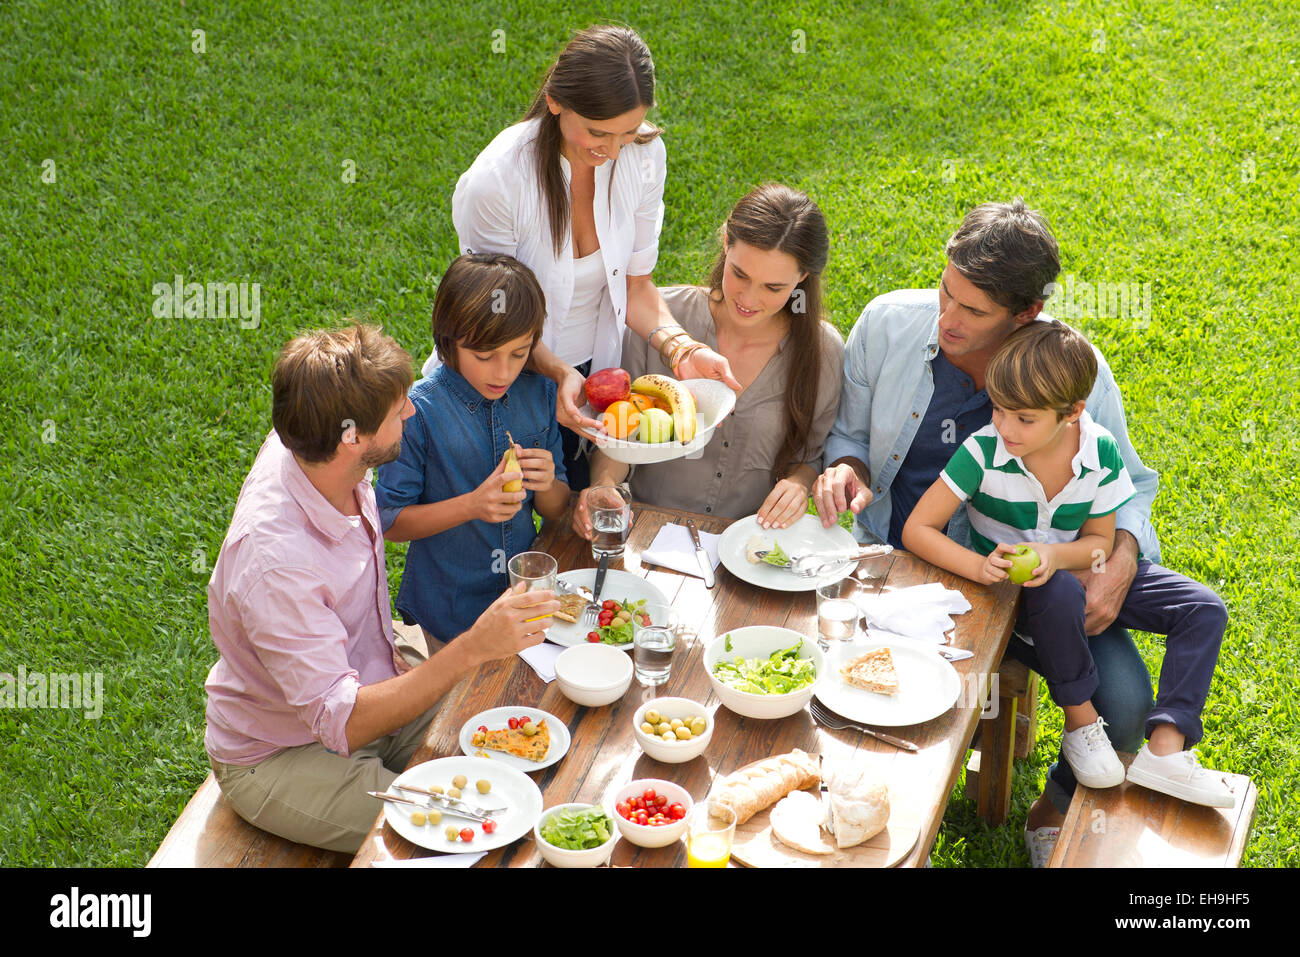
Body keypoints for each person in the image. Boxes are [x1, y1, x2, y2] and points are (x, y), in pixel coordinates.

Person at [812, 199, 1162, 866]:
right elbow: (848, 436)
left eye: (972, 312)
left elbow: (1133, 486)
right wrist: (848, 468)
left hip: (1040, 586)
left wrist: (1119, 558)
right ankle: (853, 817)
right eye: (946, 291)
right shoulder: (887, 324)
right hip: (905, 571)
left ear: (1025, 313)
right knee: (833, 692)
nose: (948, 318)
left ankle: (1051, 809)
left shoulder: (1071, 366)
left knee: (1125, 701)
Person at [204, 324, 557, 854]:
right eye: (398, 411)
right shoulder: (276, 566)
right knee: (456, 836)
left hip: (371, 676)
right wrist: (473, 645)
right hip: (281, 750)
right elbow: (342, 721)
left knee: (516, 752)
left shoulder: (315, 440)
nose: (411, 413)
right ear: (353, 438)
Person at [902, 320, 1231, 808]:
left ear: (1073, 412)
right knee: (1053, 590)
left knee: (1204, 608)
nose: (1005, 427)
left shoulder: (1099, 453)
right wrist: (978, 567)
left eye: (1024, 419)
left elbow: (1099, 541)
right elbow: (917, 530)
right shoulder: (983, 451)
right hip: (1019, 597)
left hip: (1078, 575)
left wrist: (1055, 555)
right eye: (999, 409)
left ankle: (1165, 750)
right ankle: (1081, 724)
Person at [424, 24, 741, 489]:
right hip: (494, 370)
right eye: (598, 132)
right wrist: (556, 371)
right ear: (555, 101)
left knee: (575, 517)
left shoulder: (645, 155)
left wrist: (682, 347)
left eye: (628, 133)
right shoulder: (495, 182)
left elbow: (636, 286)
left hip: (591, 379)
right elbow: (491, 316)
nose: (613, 151)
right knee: (491, 529)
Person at [570, 183, 844, 532]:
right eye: (739, 274)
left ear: (802, 277)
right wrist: (605, 484)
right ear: (726, 243)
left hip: (747, 548)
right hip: (646, 534)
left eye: (773, 288)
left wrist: (799, 483)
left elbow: (808, 457)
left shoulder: (824, 352)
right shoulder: (657, 320)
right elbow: (616, 434)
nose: (748, 298)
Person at [376, 254, 570, 648]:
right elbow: (389, 520)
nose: (503, 372)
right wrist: (472, 505)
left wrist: (548, 483)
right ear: (449, 341)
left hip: (523, 599)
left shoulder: (540, 395)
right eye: (485, 356)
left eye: (519, 354)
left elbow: (556, 507)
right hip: (449, 609)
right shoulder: (418, 412)